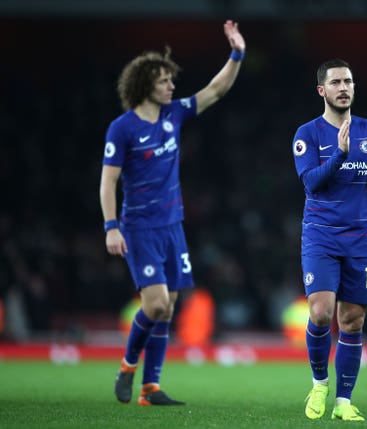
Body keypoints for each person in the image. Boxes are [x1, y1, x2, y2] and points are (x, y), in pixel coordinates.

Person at [99, 20, 245, 406]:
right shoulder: (122, 129)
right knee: (156, 304)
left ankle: (151, 389)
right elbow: (107, 182)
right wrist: (112, 227)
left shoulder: (175, 114)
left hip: (172, 225)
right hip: (140, 227)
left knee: (171, 306)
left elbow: (216, 90)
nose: (172, 86)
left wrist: (237, 54)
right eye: (165, 81)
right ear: (147, 84)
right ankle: (128, 367)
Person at [292, 59, 367, 421]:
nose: (344, 87)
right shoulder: (307, 134)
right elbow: (311, 183)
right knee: (321, 313)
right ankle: (320, 382)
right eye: (336, 82)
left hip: (361, 239)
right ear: (322, 90)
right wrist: (340, 153)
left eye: (348, 81)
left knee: (352, 320)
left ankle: (343, 402)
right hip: (320, 236)